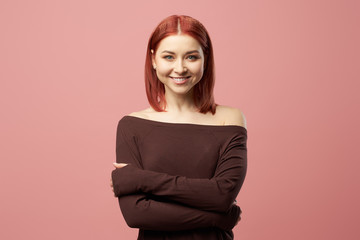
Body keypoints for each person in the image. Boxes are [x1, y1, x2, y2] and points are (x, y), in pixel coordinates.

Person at [110, 15, 247, 240]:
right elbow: (136, 214)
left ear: (205, 58)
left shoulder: (230, 119)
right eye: (169, 57)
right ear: (154, 60)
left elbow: (221, 196)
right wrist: (217, 218)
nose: (180, 68)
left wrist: (140, 179)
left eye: (191, 57)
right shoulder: (131, 125)